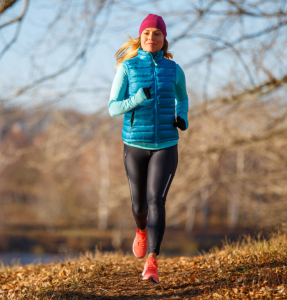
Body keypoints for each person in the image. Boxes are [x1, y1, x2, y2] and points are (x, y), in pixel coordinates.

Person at [108, 14, 189, 283]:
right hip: (135, 145)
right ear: (140, 37)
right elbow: (113, 108)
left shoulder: (173, 69)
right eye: (146, 33)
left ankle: (152, 262)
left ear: (164, 39)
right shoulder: (127, 68)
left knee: (157, 200)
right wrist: (138, 98)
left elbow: (183, 97)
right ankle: (141, 230)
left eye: (157, 33)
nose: (151, 38)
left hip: (166, 144)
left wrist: (183, 116)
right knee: (139, 204)